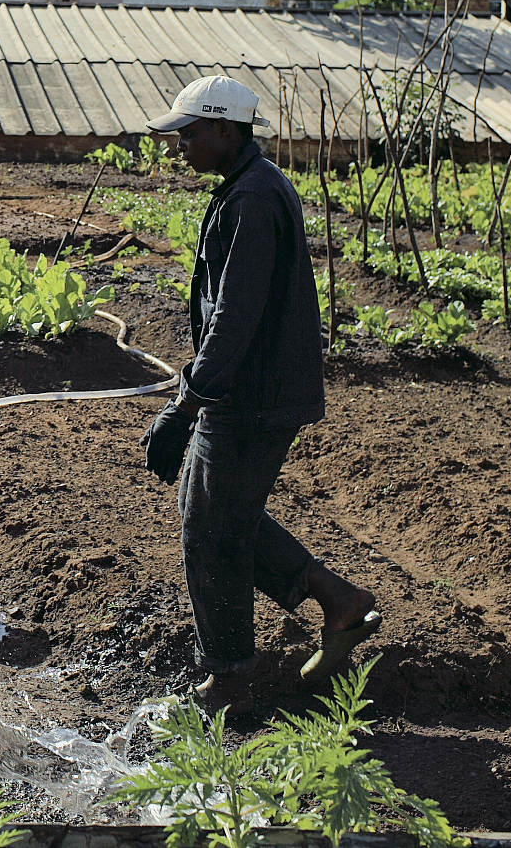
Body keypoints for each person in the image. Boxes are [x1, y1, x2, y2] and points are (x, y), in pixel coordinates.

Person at [138, 75, 380, 711]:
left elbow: (236, 315)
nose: (179, 145)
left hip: (255, 393)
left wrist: (185, 404)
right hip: (250, 387)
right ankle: (339, 601)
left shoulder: (252, 198)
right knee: (216, 512)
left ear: (224, 129)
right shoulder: (246, 187)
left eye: (189, 133)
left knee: (211, 528)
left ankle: (231, 675)